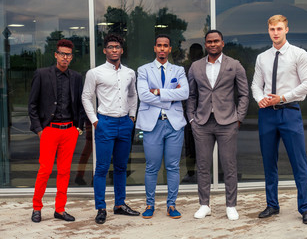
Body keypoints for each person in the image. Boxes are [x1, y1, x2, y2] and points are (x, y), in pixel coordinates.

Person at [251, 15, 307, 224]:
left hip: (290, 112)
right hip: (267, 115)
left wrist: (283, 97)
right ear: (268, 30)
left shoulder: (299, 54)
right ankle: (272, 205)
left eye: (279, 28)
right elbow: (255, 85)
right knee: (269, 162)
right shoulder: (262, 58)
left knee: (299, 162)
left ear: (287, 29)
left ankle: (305, 208)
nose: (275, 33)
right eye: (272, 29)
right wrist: (260, 99)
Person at [186, 30, 249, 221]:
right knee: (203, 166)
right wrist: (191, 119)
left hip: (227, 122)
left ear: (222, 43)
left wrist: (238, 118)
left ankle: (231, 205)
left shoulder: (234, 65)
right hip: (202, 123)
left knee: (229, 166)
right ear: (205, 44)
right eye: (209, 42)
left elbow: (244, 94)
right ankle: (204, 205)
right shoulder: (195, 66)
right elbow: (191, 95)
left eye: (216, 41)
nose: (213, 44)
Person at [82, 34, 139, 224]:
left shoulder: (129, 73)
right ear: (105, 50)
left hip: (125, 123)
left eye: (117, 47)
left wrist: (132, 116)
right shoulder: (95, 73)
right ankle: (101, 208)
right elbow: (86, 97)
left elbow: (133, 95)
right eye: (110, 47)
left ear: (122, 50)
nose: (114, 50)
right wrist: (95, 121)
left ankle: (119, 205)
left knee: (121, 167)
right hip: (105, 123)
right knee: (102, 168)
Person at [28, 39, 84, 223]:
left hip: (69, 131)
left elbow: (80, 105)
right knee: (44, 170)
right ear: (55, 54)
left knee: (64, 171)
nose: (64, 57)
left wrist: (78, 128)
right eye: (62, 53)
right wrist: (39, 130)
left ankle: (60, 209)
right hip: (49, 130)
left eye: (68, 54)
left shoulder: (76, 77)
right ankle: (37, 208)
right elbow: (32, 105)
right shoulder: (42, 74)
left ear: (71, 57)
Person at [136, 34, 189, 219]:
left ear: (170, 48)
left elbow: (184, 92)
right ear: (154, 48)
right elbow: (143, 95)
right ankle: (150, 204)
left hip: (174, 125)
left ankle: (171, 205)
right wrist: (169, 97)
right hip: (152, 125)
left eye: (165, 46)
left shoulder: (178, 70)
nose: (162, 49)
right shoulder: (143, 70)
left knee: (173, 167)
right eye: (159, 45)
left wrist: (158, 92)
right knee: (152, 167)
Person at [182, 43, 204, 183]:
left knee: (206, 146)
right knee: (189, 146)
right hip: (188, 112)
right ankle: (190, 173)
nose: (195, 56)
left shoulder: (206, 67)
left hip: (205, 111)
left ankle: (213, 175)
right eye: (193, 54)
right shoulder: (184, 69)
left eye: (198, 54)